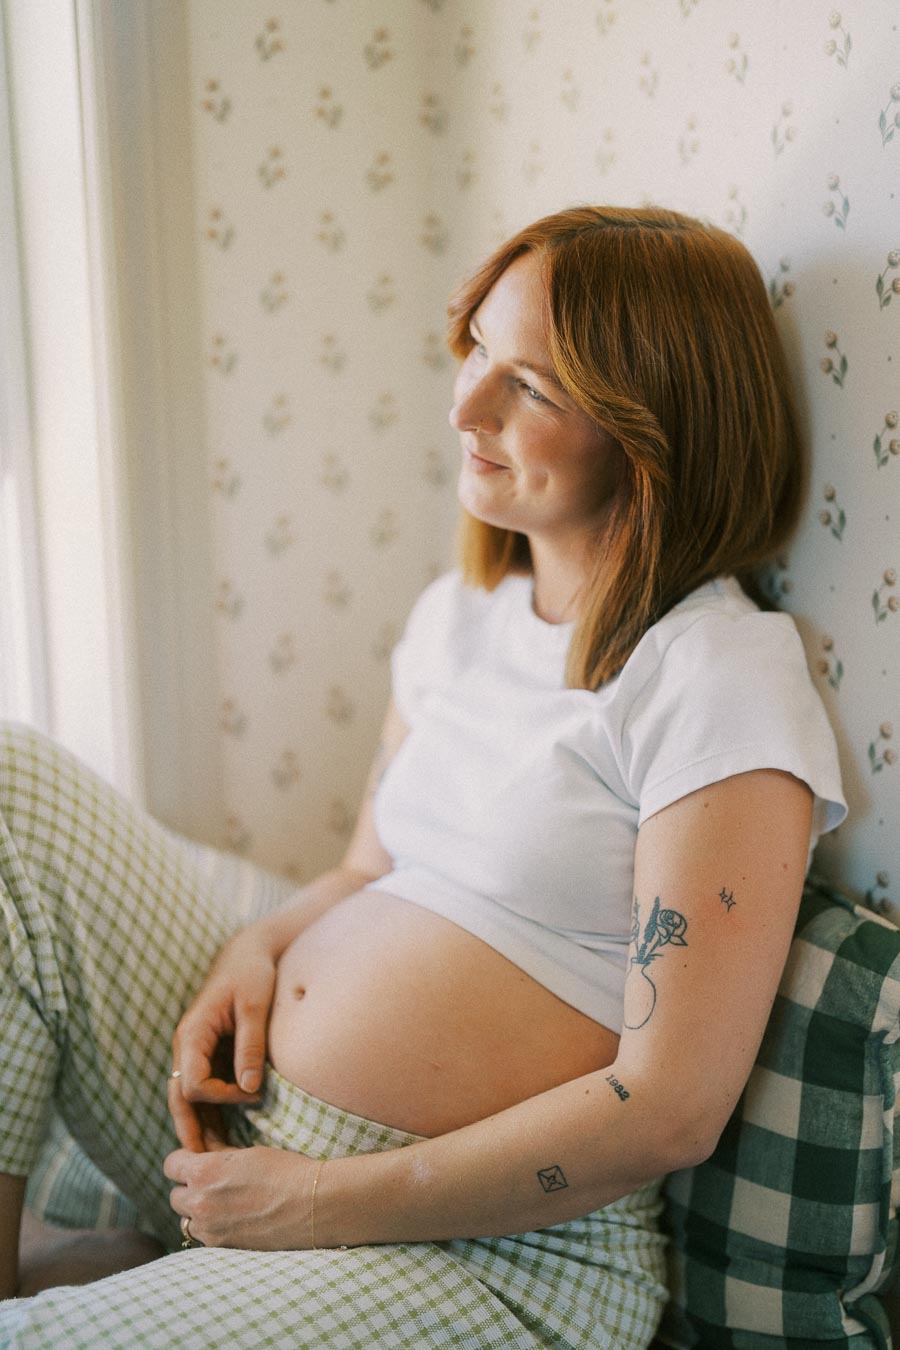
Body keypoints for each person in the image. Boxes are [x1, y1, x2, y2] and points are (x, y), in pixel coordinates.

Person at [0, 205, 846, 1349]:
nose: (464, 407)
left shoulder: (716, 675)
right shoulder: (462, 619)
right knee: (10, 789)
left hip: (493, 1259)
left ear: (653, 431)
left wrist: (320, 1204)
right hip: (250, 1142)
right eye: (478, 350)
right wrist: (259, 948)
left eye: (529, 387)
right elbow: (365, 872)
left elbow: (670, 1107)